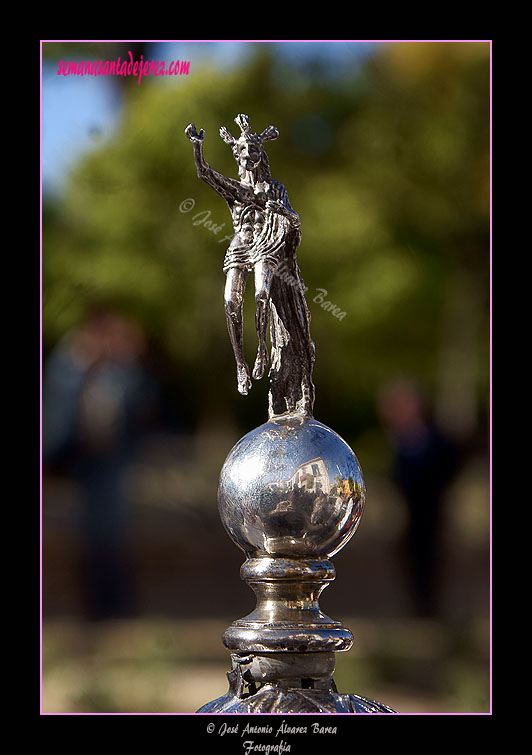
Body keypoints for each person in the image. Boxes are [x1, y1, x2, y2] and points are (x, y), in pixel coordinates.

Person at [185, 114, 315, 417]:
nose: (250, 157)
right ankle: (241, 365)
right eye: (244, 152)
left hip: (266, 244)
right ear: (238, 155)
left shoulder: (274, 189)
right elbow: (204, 173)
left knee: (262, 295)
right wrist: (197, 146)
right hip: (241, 244)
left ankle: (261, 351)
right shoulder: (235, 190)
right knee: (230, 301)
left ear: (261, 154)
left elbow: (294, 221)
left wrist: (279, 209)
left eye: (255, 151)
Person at [378, 379, 459, 617]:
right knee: (411, 562)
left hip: (431, 512)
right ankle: (419, 607)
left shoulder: (434, 438)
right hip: (409, 515)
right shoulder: (399, 441)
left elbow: (448, 467)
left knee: (431, 560)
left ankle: (430, 607)